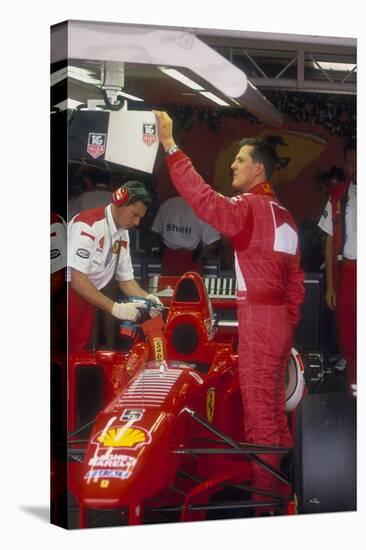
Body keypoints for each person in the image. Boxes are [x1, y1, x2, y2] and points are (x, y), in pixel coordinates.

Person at [153, 110, 304, 511]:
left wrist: (171, 147)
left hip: (258, 319)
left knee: (258, 416)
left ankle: (263, 503)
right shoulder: (285, 215)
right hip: (279, 324)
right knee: (273, 411)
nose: (232, 164)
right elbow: (296, 284)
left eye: (239, 159)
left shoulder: (249, 208)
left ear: (257, 169)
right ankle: (283, 487)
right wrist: (286, 323)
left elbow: (204, 201)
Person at [67, 180, 163, 353]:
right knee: (67, 354)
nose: (137, 223)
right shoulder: (87, 225)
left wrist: (149, 299)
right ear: (120, 203)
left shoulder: (122, 233)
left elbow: (126, 281)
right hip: (67, 296)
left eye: (140, 217)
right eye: (134, 215)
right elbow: (77, 280)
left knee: (83, 353)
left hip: (88, 296)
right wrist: (115, 308)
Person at [318, 140, 357, 394]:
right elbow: (329, 240)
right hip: (348, 274)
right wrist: (331, 285)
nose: (355, 168)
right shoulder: (338, 195)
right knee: (349, 339)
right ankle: (356, 391)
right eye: (351, 163)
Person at [151, 195, 221, 275]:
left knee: (168, 286)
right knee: (191, 286)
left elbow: (155, 232)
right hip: (191, 259)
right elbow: (212, 244)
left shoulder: (169, 203)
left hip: (169, 258)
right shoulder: (202, 207)